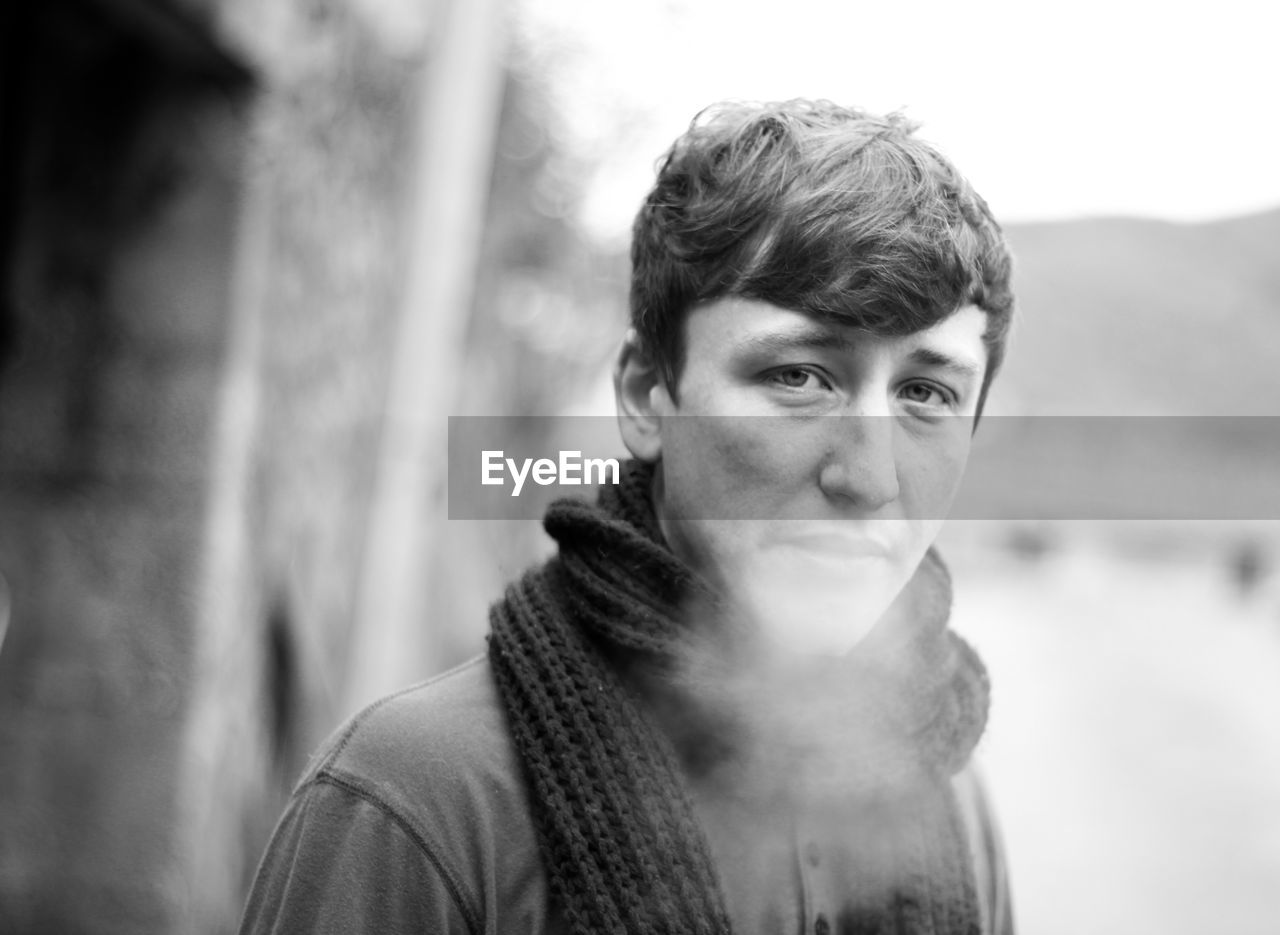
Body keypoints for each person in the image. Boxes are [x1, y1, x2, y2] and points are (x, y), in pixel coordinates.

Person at [240, 99, 1016, 935]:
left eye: (927, 393)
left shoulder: (952, 800)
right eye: (798, 376)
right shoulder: (421, 802)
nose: (868, 477)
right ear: (649, 395)